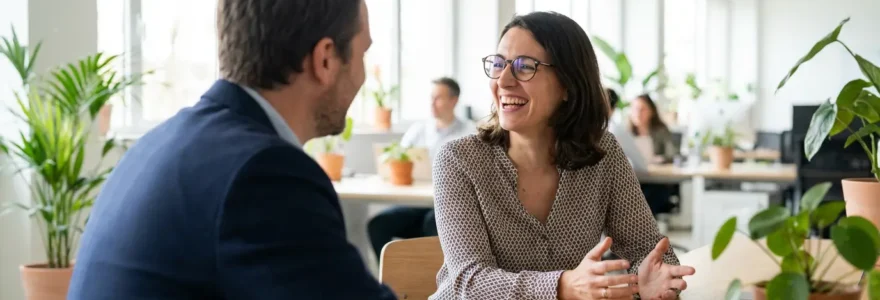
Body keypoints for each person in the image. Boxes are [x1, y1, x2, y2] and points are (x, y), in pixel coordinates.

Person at [68, 1, 396, 299]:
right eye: (362, 54)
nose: (362, 75)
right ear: (325, 59)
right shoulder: (265, 174)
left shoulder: (159, 145)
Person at [430, 12, 695, 300]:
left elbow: (650, 250)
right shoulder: (458, 159)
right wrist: (563, 287)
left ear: (568, 85)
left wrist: (656, 280)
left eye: (524, 67)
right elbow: (469, 283)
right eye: (498, 64)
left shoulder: (603, 155)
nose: (503, 81)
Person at [367, 77, 474, 261]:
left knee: (432, 223)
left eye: (438, 98)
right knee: (378, 224)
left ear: (454, 101)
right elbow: (397, 158)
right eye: (431, 98)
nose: (432, 103)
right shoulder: (418, 130)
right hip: (414, 203)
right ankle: (390, 284)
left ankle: (428, 285)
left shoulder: (469, 133)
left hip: (447, 207)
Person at [628, 94, 679, 164]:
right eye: (635, 109)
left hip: (657, 172)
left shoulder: (661, 131)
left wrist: (660, 159)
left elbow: (672, 153)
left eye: (642, 109)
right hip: (633, 172)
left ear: (651, 112)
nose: (638, 113)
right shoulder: (626, 133)